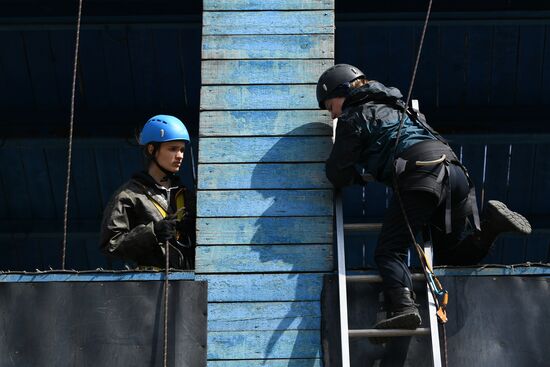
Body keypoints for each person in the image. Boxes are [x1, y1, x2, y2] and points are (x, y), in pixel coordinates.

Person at [317, 64, 531, 332]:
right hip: (456, 174)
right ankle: (490, 229)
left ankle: (404, 308)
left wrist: (356, 177)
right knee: (448, 257)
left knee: (388, 251)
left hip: (421, 173)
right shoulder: (401, 107)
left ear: (343, 91)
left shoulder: (353, 115)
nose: (332, 113)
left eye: (330, 105)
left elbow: (336, 172)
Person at [100, 115, 195, 270]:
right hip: (151, 287)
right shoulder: (129, 195)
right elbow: (110, 244)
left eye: (182, 150)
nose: (180, 156)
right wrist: (153, 233)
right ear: (152, 149)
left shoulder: (187, 196)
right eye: (172, 149)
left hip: (188, 285)